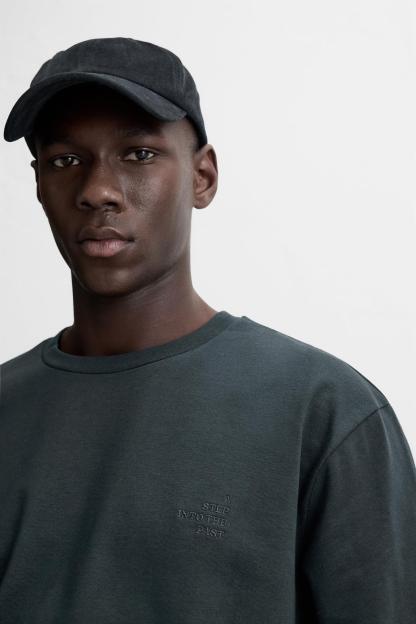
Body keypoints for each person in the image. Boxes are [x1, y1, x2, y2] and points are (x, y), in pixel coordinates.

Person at [1, 36, 415, 624]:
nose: (97, 191)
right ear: (39, 185)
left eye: (138, 154)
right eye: (66, 160)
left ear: (203, 176)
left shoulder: (323, 411)